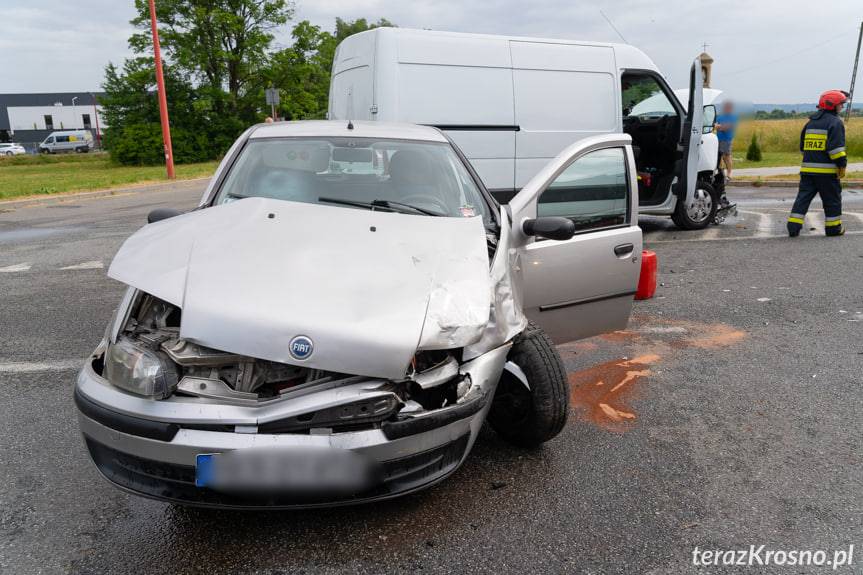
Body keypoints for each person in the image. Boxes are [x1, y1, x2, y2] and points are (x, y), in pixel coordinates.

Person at [787, 90, 849, 238]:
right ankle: (833, 229)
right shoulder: (835, 123)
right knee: (832, 201)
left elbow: (803, 148)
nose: (842, 107)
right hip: (827, 174)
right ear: (833, 105)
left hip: (807, 172)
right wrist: (842, 165)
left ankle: (793, 227)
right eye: (841, 104)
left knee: (802, 199)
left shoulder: (810, 122)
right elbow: (837, 150)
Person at [714, 100, 738, 180]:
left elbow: (727, 127)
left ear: (731, 108)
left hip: (727, 139)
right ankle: (721, 173)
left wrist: (720, 127)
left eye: (728, 107)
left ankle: (729, 173)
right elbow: (715, 126)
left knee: (727, 156)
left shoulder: (733, 117)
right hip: (718, 139)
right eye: (726, 107)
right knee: (719, 157)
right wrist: (721, 127)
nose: (727, 109)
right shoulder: (720, 116)